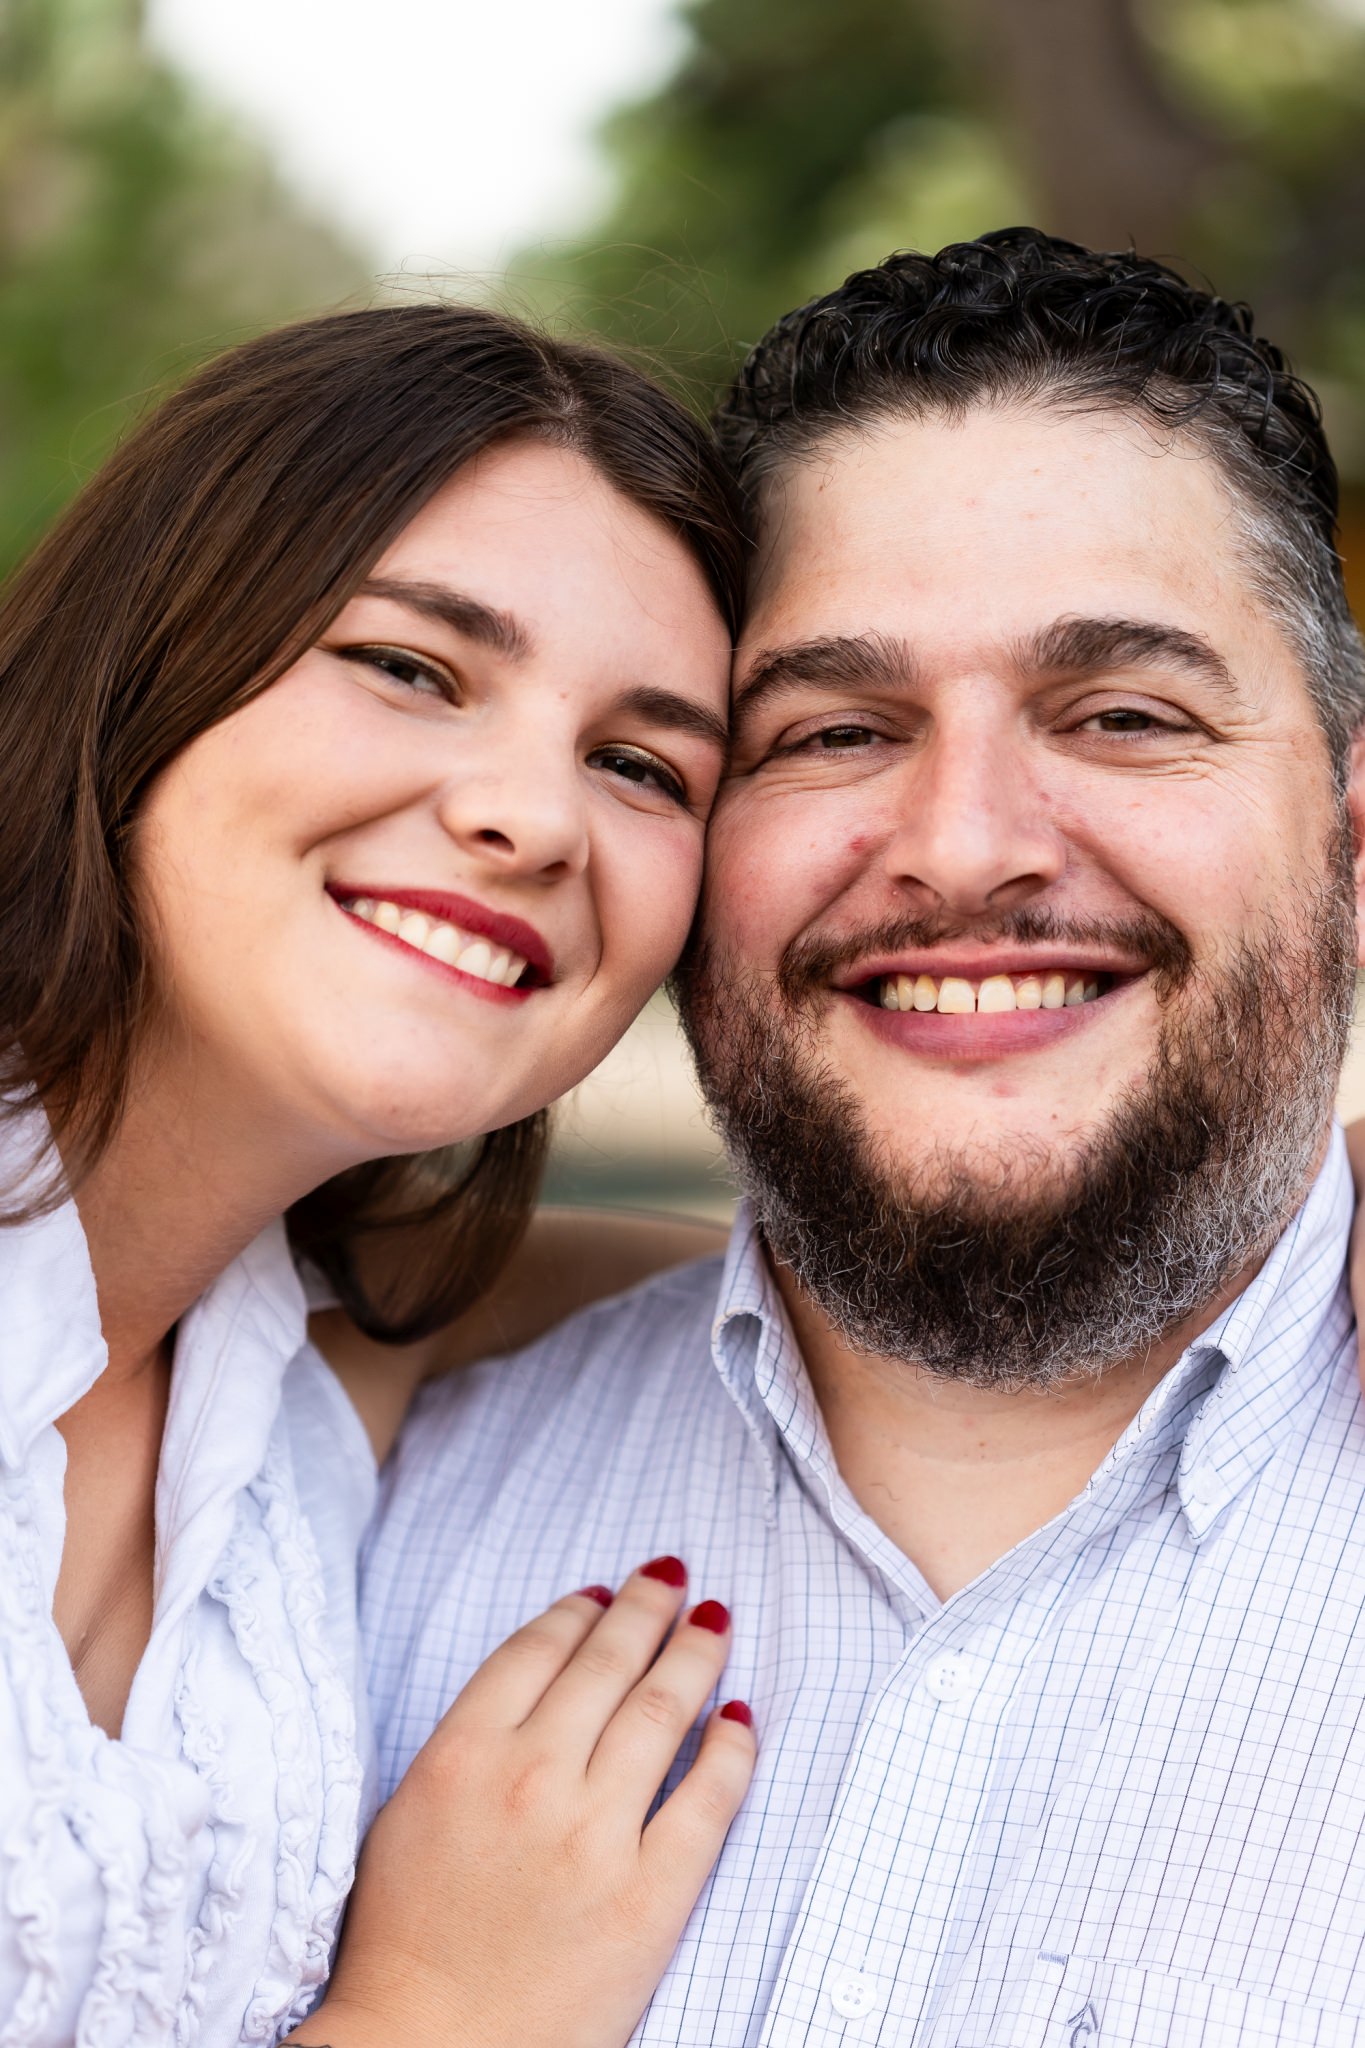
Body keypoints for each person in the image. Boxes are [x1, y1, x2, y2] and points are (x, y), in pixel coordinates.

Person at [363, 229, 1365, 2046]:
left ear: (1350, 840)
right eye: (831, 730)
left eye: (1121, 715)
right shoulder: (338, 1520)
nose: (963, 844)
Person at [0, 303, 756, 2047]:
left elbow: (687, 1274)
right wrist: (429, 2015)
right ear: (153, 655)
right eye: (413, 667)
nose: (534, 818)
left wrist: (1321, 1211)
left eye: (639, 766)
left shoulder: (307, 1369)